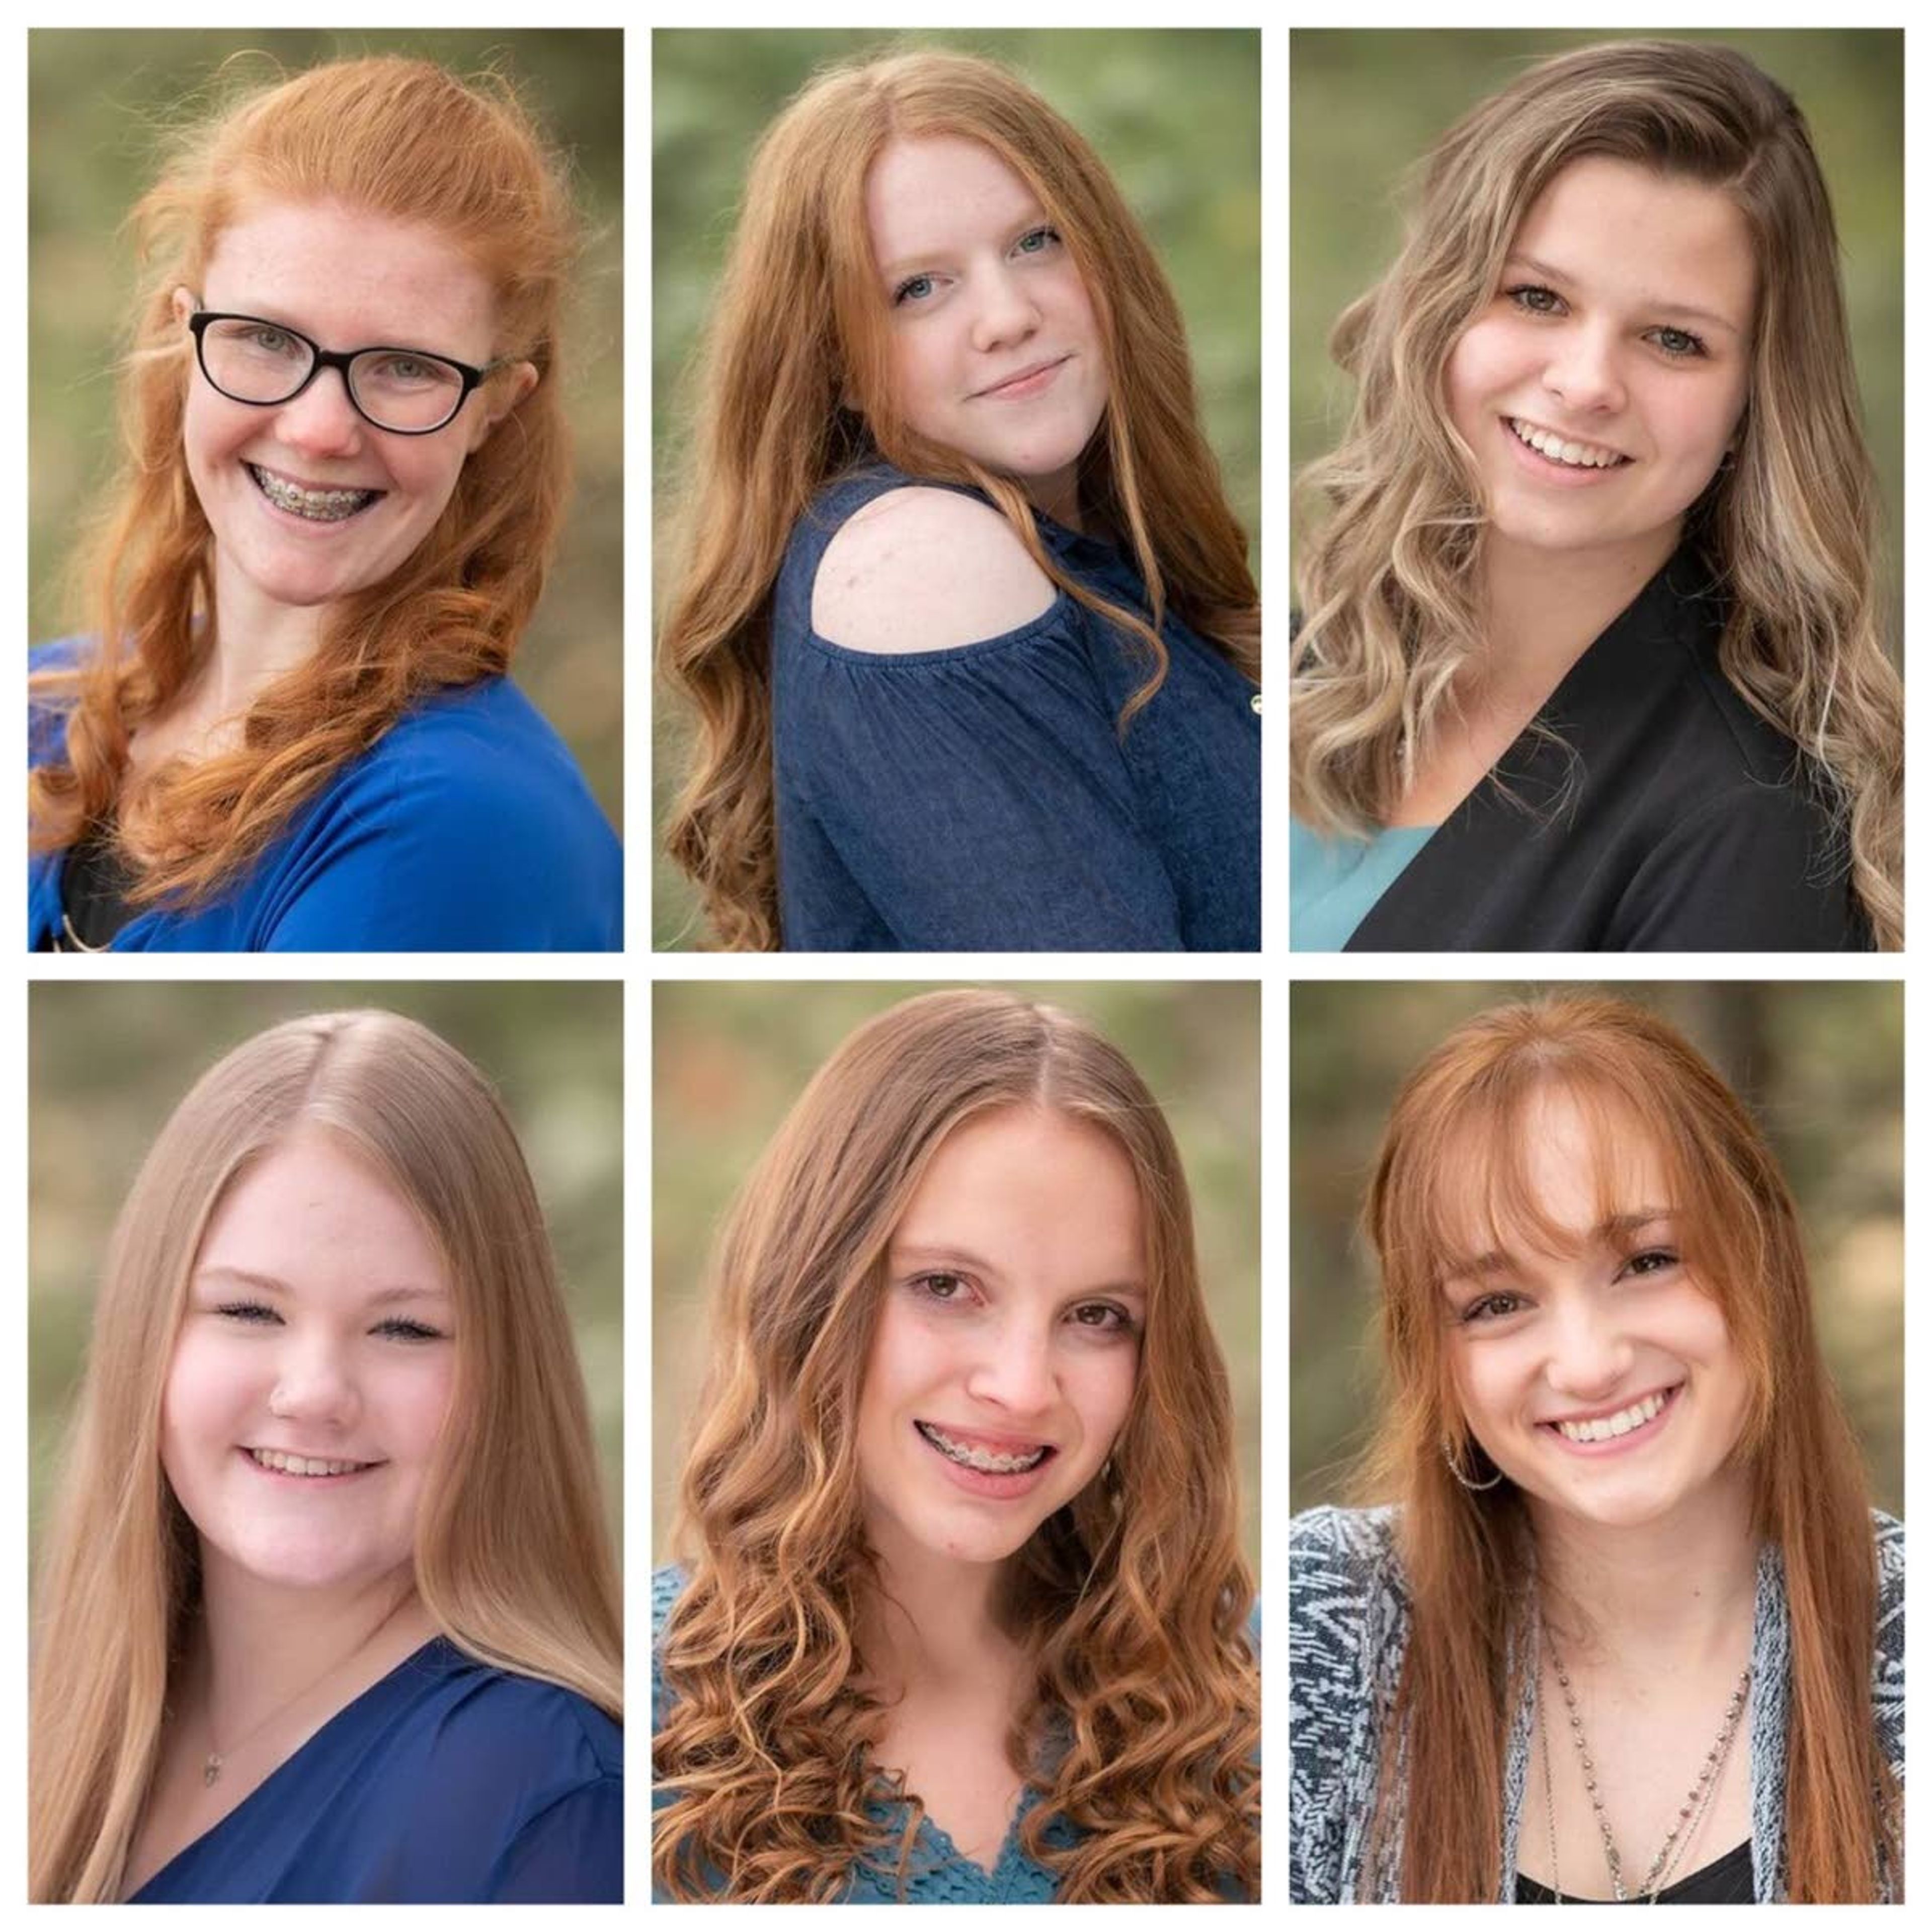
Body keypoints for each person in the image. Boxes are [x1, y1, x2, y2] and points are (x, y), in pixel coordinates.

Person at [1290, 993, 1902, 1903]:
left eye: (1649, 1261)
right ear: (1434, 1359)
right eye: (1497, 1303)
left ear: (1765, 1261)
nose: (1587, 1364)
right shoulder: (1328, 1631)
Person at [1291, 40, 1902, 951]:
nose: (1585, 384)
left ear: (1753, 403)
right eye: (1537, 298)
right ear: (1439, 312)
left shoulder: (1745, 831)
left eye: (1674, 339)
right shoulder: (1303, 646)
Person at [654, 990, 1258, 1900]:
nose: (1020, 1386)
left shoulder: (1252, 1699)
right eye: (945, 1286)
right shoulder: (625, 1706)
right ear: (814, 1287)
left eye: (1097, 1317)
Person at [660, 49, 1260, 952]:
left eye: (1036, 242)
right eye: (918, 289)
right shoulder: (923, 568)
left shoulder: (1090, 552)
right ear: (839, 366)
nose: (1007, 315)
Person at [28, 57, 621, 950]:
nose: (317, 430)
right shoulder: (41, 707)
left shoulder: (451, 823)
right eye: (267, 339)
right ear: (184, 336)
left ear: (496, 407)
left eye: (405, 367)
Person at [30, 1011, 623, 1902]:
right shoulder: (55, 1726)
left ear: (503, 1377)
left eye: (404, 1328)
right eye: (248, 1312)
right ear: (144, 1337)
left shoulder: (540, 1803)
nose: (313, 1393)